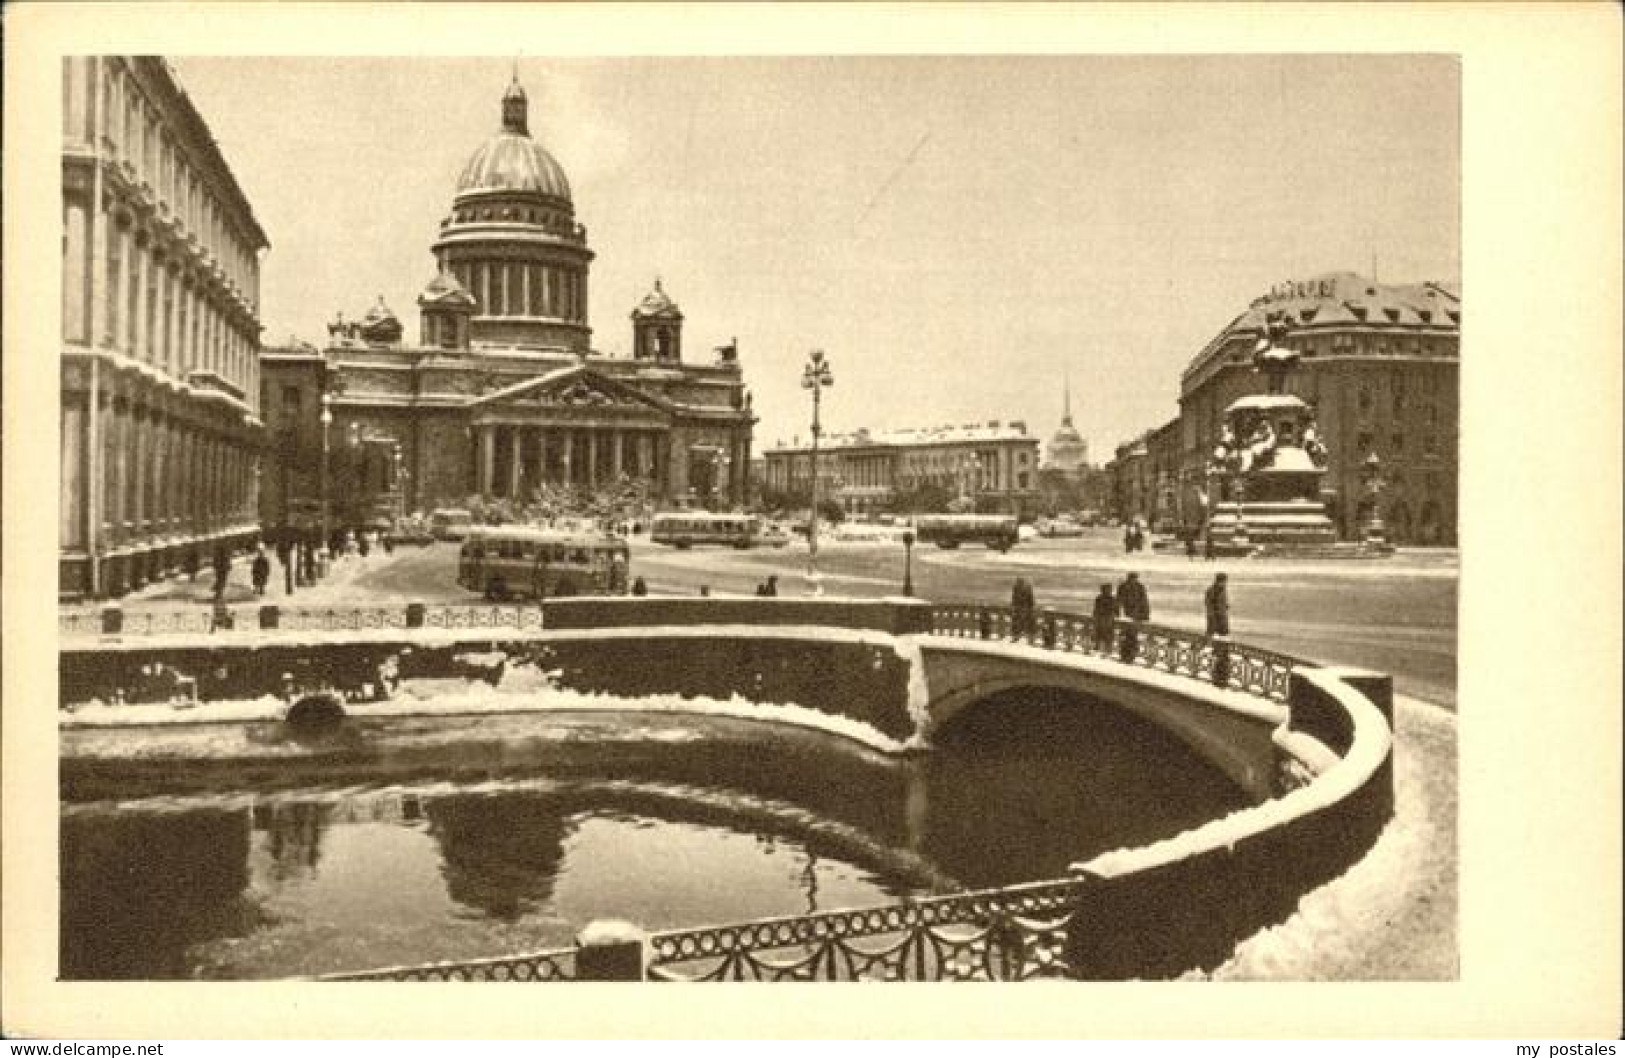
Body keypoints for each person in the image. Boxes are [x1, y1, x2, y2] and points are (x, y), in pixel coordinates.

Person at [1117, 571, 1150, 662]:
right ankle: (1126, 655)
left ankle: (1129, 656)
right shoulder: (1124, 587)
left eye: (1134, 579)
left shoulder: (1139, 587)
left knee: (1131, 636)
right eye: (1132, 579)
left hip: (1136, 616)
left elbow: (1144, 601)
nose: (1133, 580)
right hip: (1128, 615)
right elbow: (1118, 601)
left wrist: (1145, 615)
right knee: (1127, 636)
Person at [1091, 582, 1117, 654]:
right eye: (1107, 589)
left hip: (1107, 621)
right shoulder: (1100, 598)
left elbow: (1115, 611)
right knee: (1101, 636)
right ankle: (1101, 649)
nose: (1108, 591)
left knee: (1106, 637)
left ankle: (1106, 650)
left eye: (1109, 589)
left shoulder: (1110, 599)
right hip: (1102, 621)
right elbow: (1096, 610)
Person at [1204, 573, 1230, 637]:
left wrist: (1225, 605)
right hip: (1214, 614)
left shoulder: (1223, 589)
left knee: (1223, 631)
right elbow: (1208, 602)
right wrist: (1212, 612)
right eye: (1223, 582)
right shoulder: (1211, 590)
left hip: (1222, 614)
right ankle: (1208, 644)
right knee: (1211, 630)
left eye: (1225, 582)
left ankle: (1222, 644)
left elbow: (1222, 600)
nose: (1224, 584)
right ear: (1218, 581)